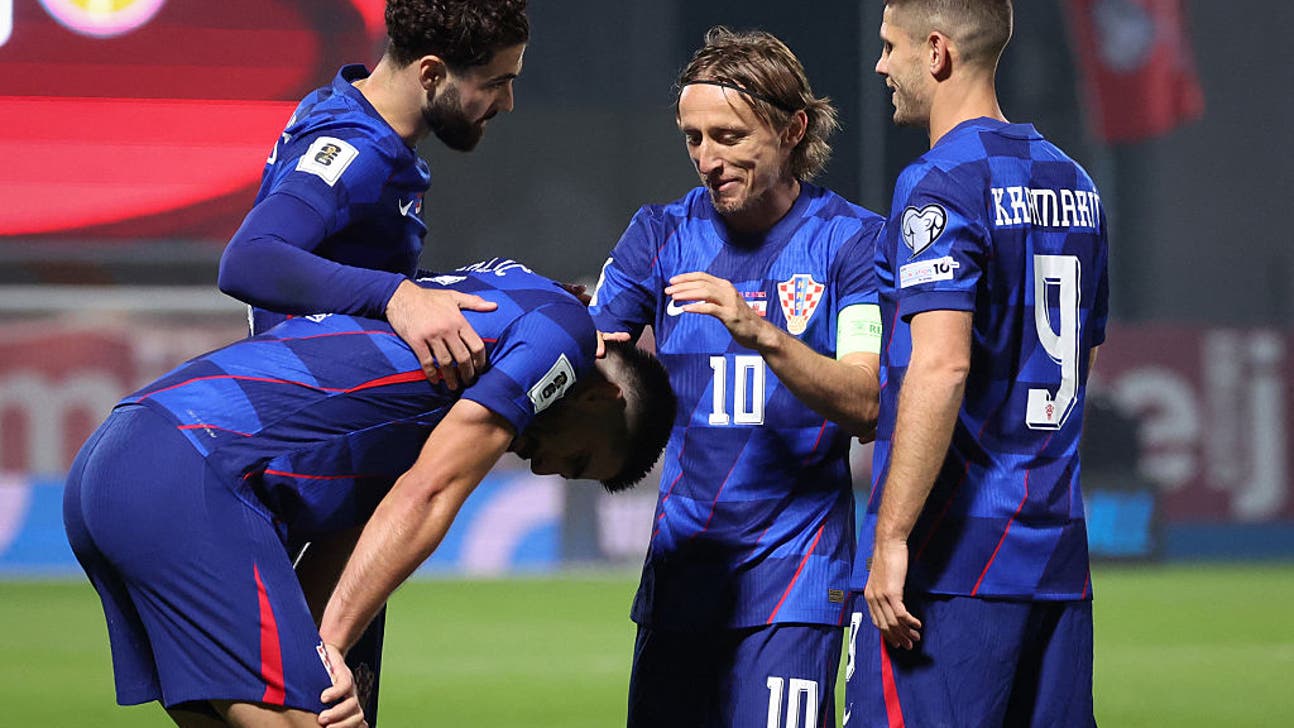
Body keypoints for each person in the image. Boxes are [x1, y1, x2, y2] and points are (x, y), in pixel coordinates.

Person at [63, 261, 677, 728]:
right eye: (575, 461)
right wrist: (326, 653)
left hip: (122, 454)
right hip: (192, 467)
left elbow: (356, 534)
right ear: (600, 396)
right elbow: (430, 492)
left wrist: (316, 644)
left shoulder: (450, 371)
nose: (543, 469)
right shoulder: (560, 330)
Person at [590, 27, 884, 728]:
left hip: (796, 580)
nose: (707, 159)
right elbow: (588, 351)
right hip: (683, 575)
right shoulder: (659, 235)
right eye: (693, 138)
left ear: (793, 130)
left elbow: (866, 402)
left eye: (728, 136)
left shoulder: (852, 242)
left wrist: (759, 332)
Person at [845, 2, 1109, 726]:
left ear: (936, 52)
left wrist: (892, 536)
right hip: (1055, 559)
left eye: (890, 46)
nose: (881, 65)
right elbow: (1082, 357)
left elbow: (941, 367)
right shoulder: (1078, 186)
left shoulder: (940, 183)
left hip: (953, 565)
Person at [218, 0, 530, 388]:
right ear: (431, 74)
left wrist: (519, 293)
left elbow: (361, 272)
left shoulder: (349, 106)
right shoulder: (357, 150)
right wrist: (397, 296)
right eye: (495, 84)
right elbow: (248, 259)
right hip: (313, 405)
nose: (508, 102)